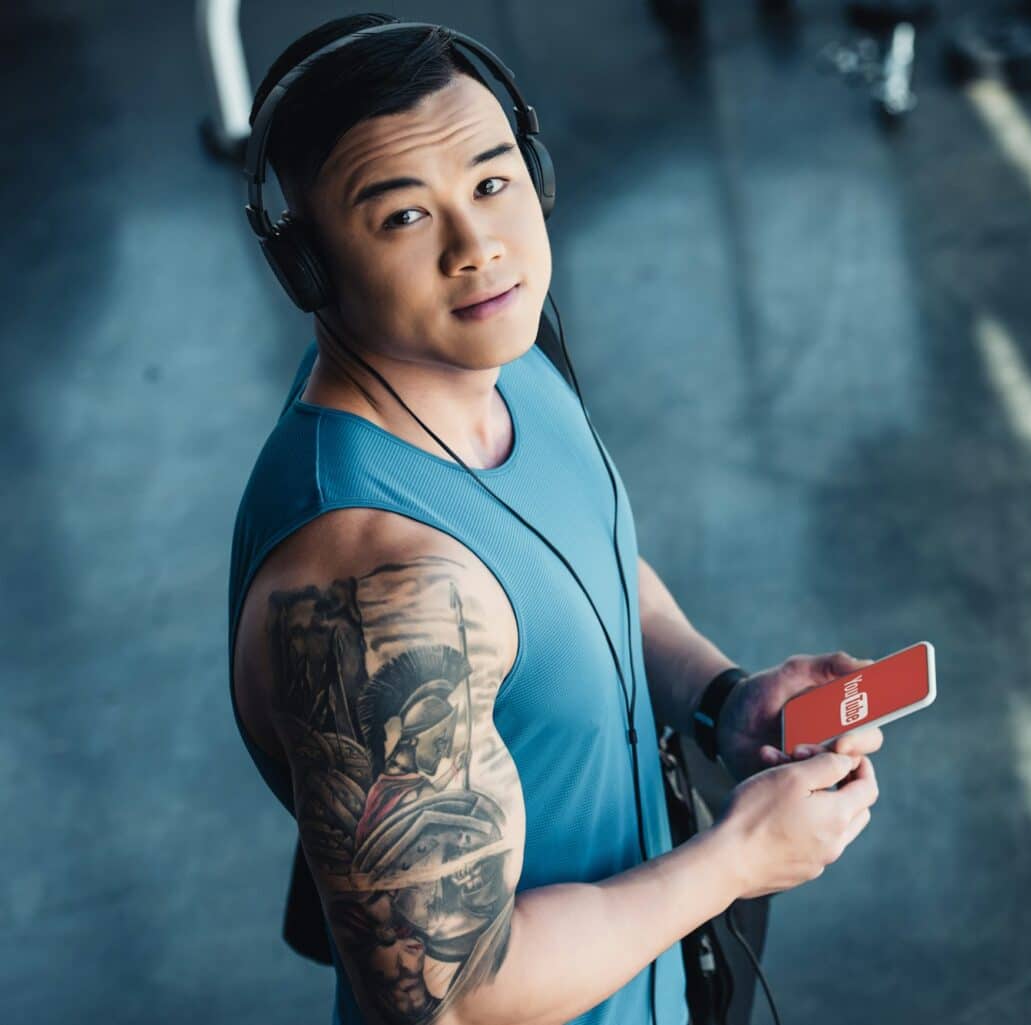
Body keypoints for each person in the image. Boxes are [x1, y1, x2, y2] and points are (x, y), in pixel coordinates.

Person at [226, 14, 883, 1025]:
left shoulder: (502, 363)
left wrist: (720, 697)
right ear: (308, 267)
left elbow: (592, 569)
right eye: (405, 216)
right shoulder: (374, 586)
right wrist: (737, 857)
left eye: (492, 183)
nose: (478, 247)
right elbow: (453, 996)